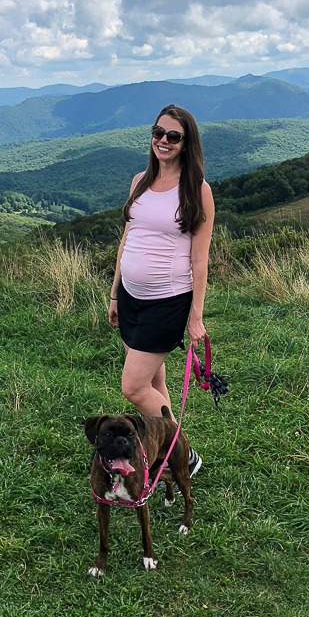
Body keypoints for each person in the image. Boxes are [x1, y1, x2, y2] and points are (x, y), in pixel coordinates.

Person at [109, 103, 215, 476]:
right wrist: (114, 292)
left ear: (187, 143)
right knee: (154, 380)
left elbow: (199, 259)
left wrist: (196, 315)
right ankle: (166, 457)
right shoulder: (140, 180)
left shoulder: (197, 191)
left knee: (134, 387)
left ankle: (183, 456)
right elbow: (128, 237)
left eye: (173, 136)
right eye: (158, 133)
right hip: (130, 297)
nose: (163, 141)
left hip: (167, 301)